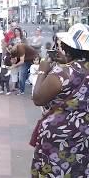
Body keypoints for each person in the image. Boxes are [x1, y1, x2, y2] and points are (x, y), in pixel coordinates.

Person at [31, 23, 89, 177]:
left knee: (54, 170)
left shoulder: (63, 72)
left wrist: (43, 69)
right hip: (83, 134)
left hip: (57, 135)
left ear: (67, 47)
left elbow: (37, 98)